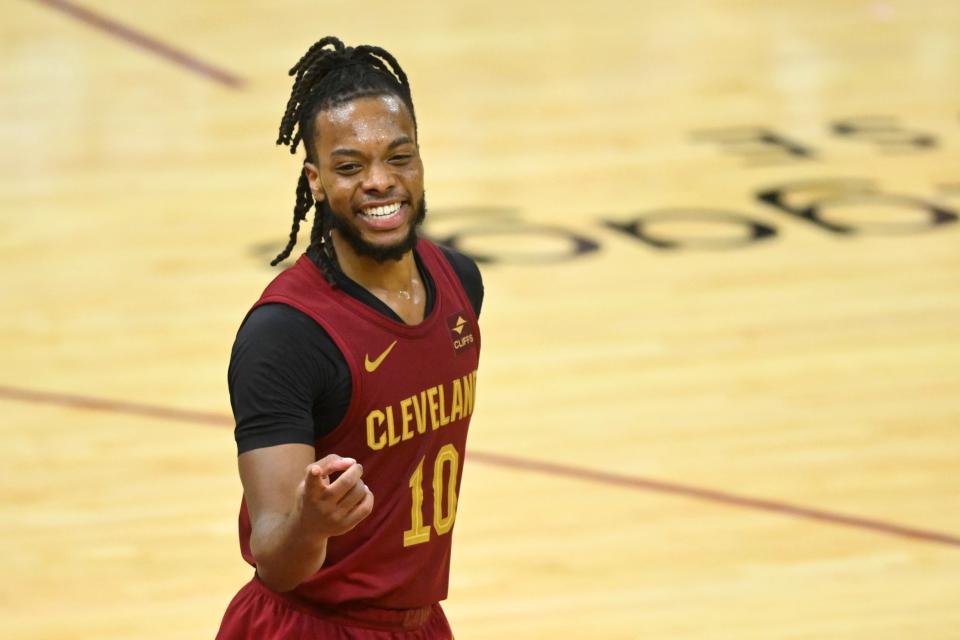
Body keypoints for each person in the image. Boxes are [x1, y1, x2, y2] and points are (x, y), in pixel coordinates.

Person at [216, 36, 483, 639]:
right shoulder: (285, 335)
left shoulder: (460, 284)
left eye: (399, 157)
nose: (379, 182)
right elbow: (277, 563)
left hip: (416, 624)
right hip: (308, 626)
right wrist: (311, 523)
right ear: (315, 180)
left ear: (420, 161)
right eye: (349, 166)